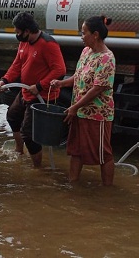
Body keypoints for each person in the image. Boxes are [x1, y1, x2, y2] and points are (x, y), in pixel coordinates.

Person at [50, 15, 116, 186]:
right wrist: (61, 83)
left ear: (95, 34)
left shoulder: (107, 58)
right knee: (76, 150)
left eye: (83, 33)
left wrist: (74, 107)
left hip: (97, 114)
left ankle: (108, 190)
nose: (81, 36)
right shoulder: (86, 52)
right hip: (79, 111)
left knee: (104, 154)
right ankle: (73, 184)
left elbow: (97, 88)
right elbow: (78, 76)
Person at [0, 12, 66, 167]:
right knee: (13, 116)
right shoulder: (24, 42)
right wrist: (4, 80)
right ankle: (19, 151)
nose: (17, 35)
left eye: (18, 32)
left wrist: (39, 85)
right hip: (25, 91)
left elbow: (60, 70)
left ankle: (37, 168)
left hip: (41, 95)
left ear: (27, 31)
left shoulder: (48, 44)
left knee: (28, 134)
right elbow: (17, 65)